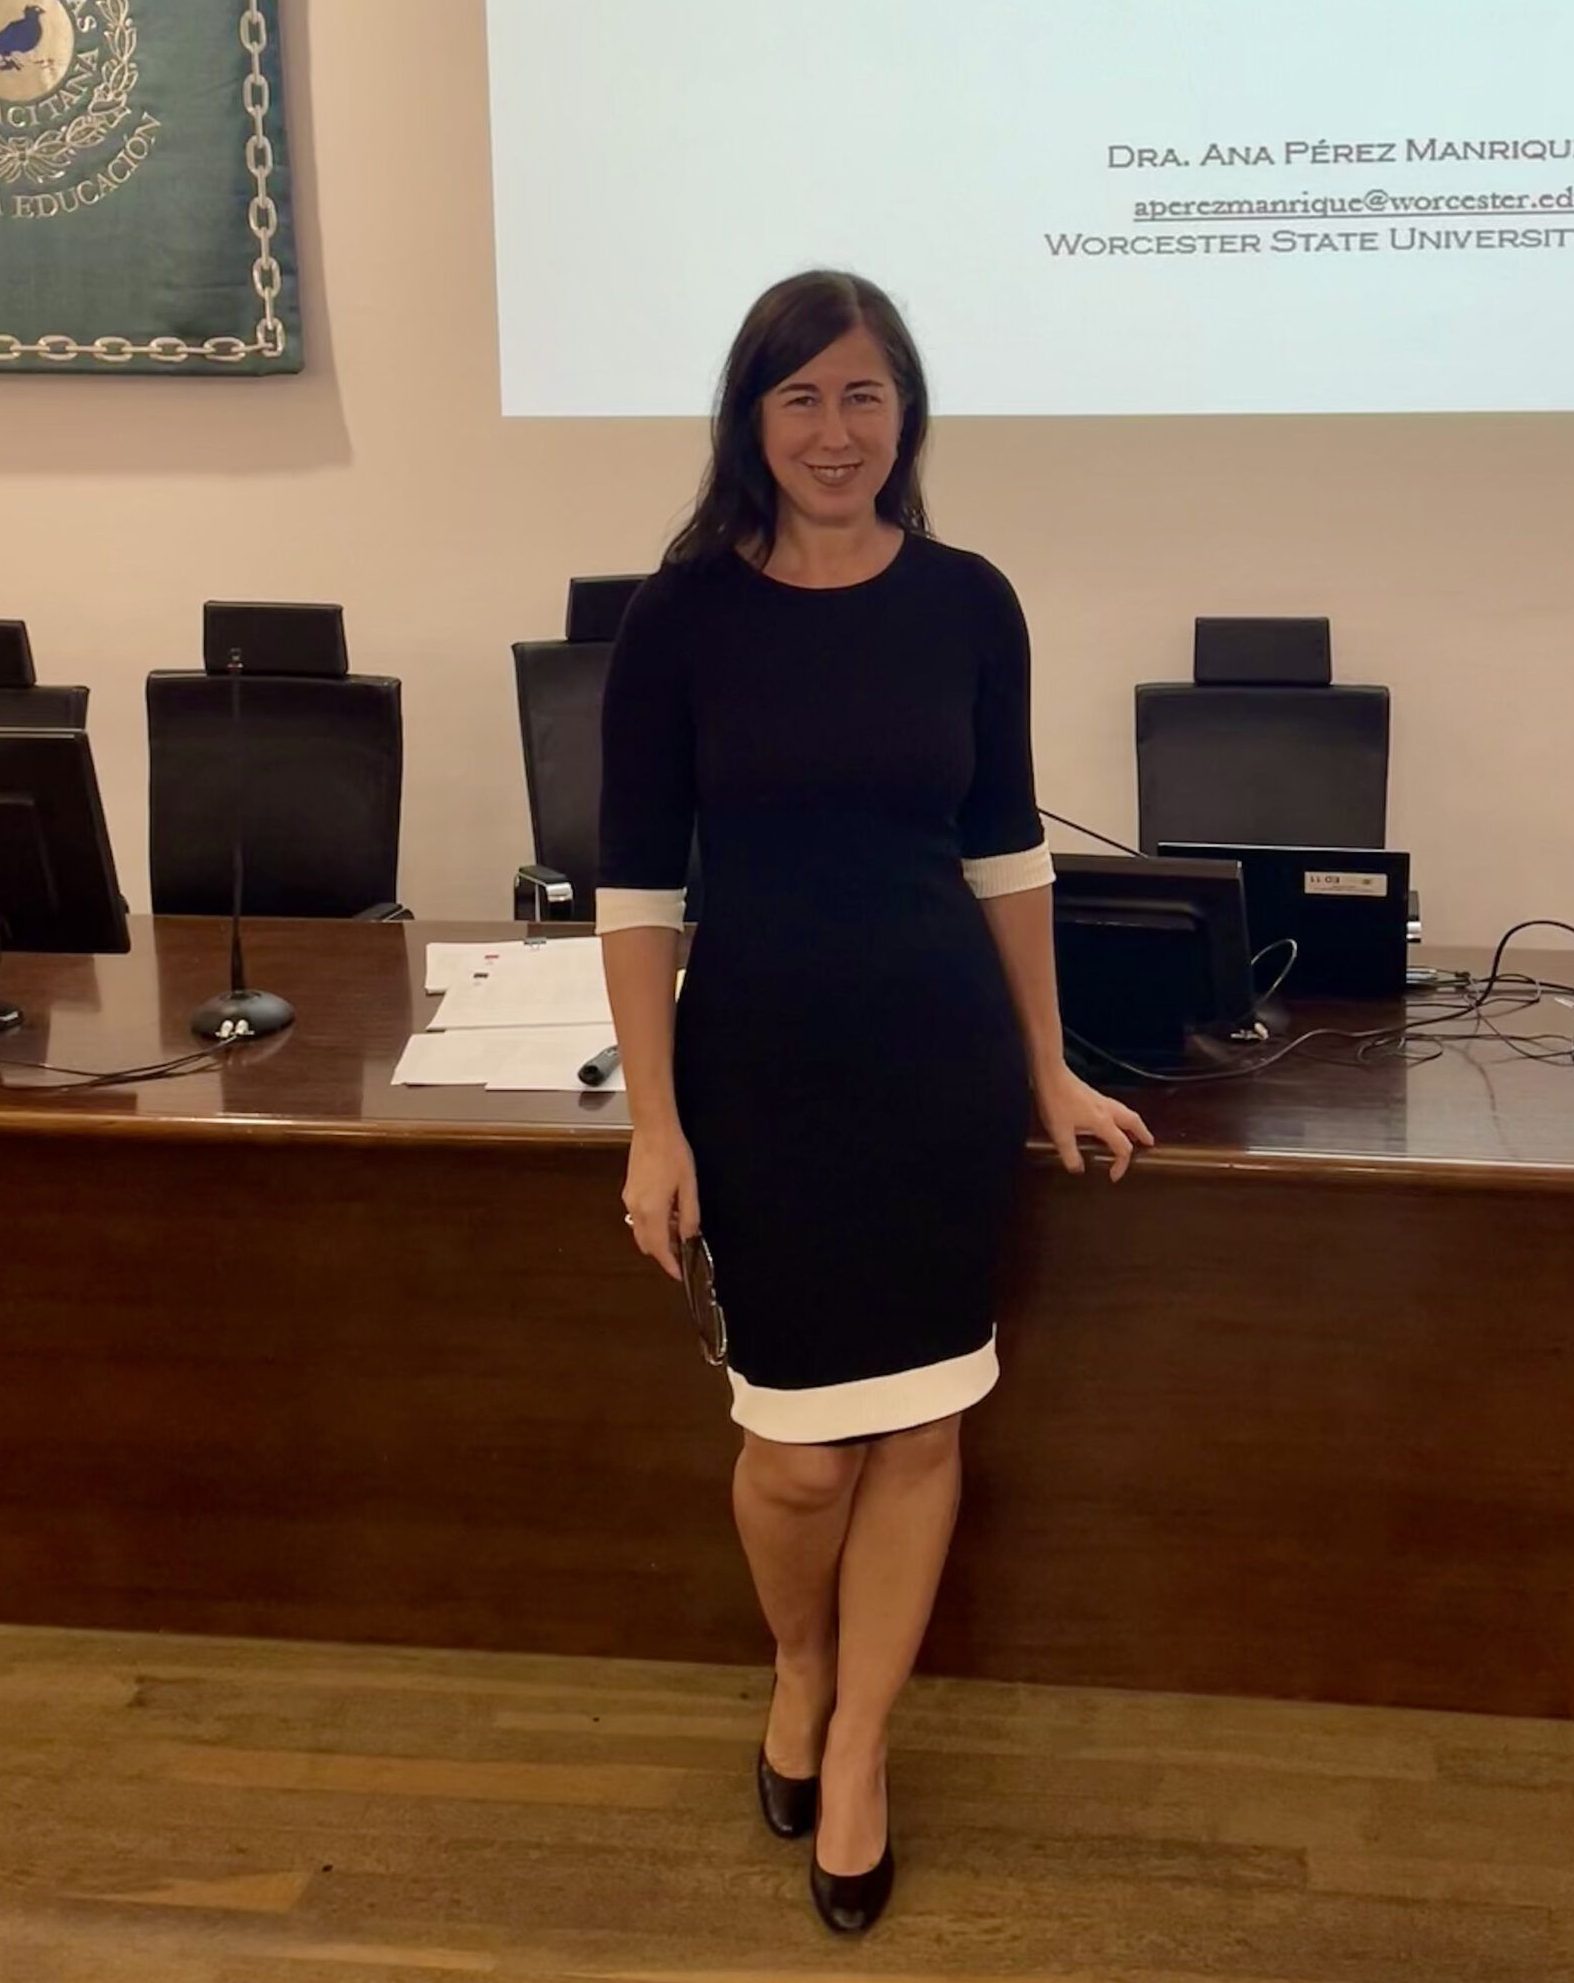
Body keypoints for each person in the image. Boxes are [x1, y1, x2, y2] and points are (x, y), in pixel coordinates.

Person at [595, 269, 1150, 1936]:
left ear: (904, 415)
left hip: (934, 1065)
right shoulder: (681, 617)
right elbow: (634, 891)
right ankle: (801, 1657)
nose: (836, 432)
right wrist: (651, 1123)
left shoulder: (971, 602)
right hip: (758, 1068)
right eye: (801, 399)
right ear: (749, 422)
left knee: (920, 1427)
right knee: (798, 1461)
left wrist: (1046, 1062)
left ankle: (856, 1747)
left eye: (864, 396)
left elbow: (1005, 854)